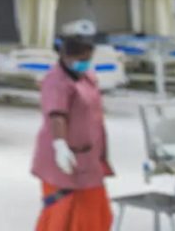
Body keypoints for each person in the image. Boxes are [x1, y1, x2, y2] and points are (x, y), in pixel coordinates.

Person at [32, 22, 114, 231]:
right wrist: (60, 145)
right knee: (62, 214)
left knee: (94, 211)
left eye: (88, 57)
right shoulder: (55, 81)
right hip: (64, 157)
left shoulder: (87, 76)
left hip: (88, 157)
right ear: (66, 55)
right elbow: (57, 115)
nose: (84, 61)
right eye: (80, 58)